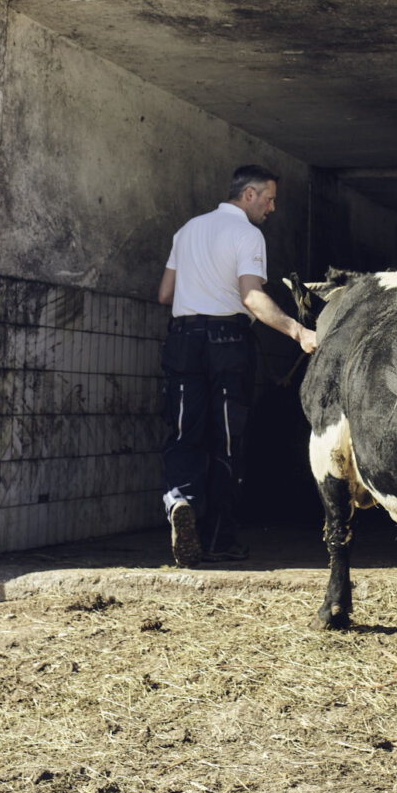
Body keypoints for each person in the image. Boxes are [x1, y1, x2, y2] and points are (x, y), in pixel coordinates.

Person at [158, 165, 317, 565]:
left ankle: (180, 502)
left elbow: (165, 294)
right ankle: (218, 539)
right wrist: (298, 332)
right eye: (269, 198)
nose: (273, 207)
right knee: (227, 441)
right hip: (228, 342)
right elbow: (251, 298)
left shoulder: (187, 230)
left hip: (182, 339)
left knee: (183, 432)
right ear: (248, 195)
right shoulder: (247, 234)